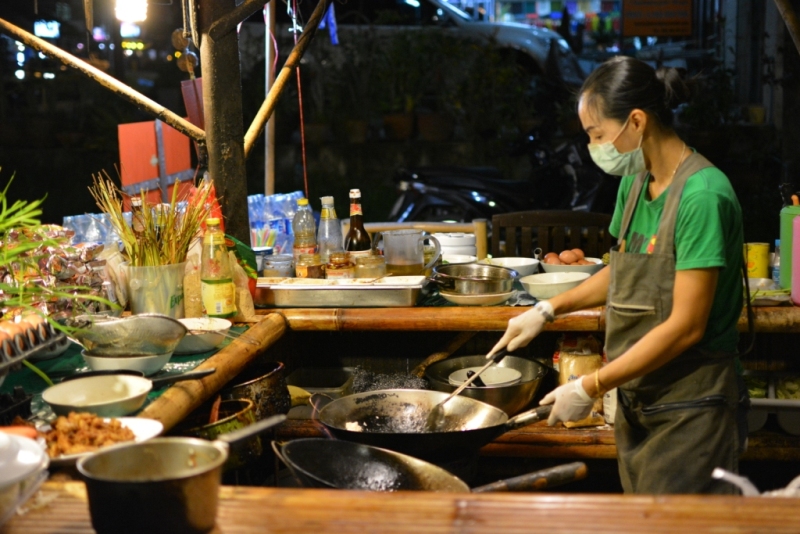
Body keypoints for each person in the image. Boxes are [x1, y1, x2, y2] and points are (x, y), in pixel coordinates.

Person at [490, 56, 747, 494]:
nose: (593, 147)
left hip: (694, 407)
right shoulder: (635, 183)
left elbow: (686, 326)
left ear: (636, 121)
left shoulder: (703, 195)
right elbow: (624, 271)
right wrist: (548, 309)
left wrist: (590, 385)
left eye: (597, 134)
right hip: (639, 399)